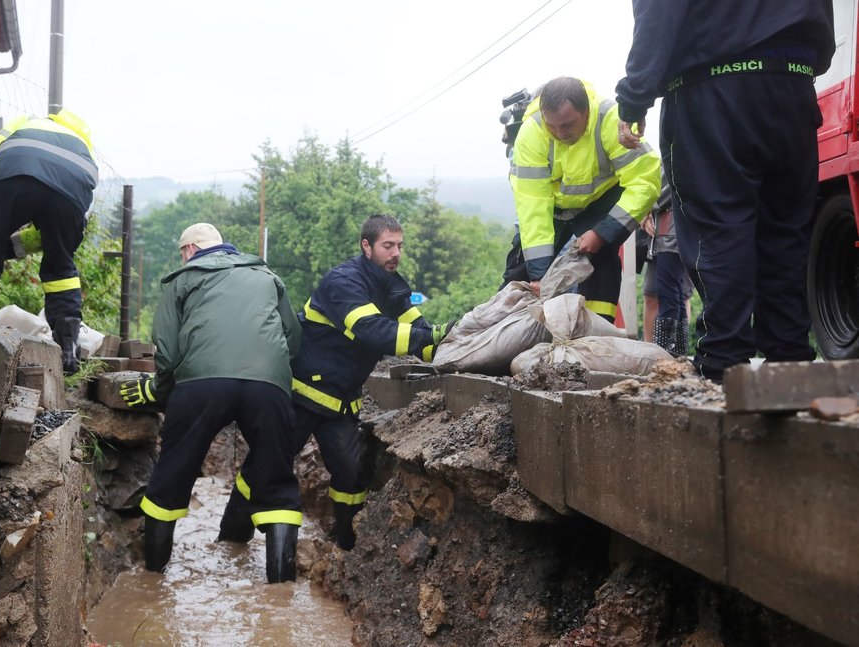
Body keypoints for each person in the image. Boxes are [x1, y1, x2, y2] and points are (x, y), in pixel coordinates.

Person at [615, 0, 835, 381]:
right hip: (794, 84)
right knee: (786, 232)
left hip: (711, 87)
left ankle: (723, 362)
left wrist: (635, 96)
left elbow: (659, 12)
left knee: (717, 229)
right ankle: (790, 361)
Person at [219, 214, 455, 551]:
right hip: (301, 397)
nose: (396, 253)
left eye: (400, 245)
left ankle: (345, 546)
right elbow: (372, 331)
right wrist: (428, 336)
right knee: (265, 466)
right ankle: (233, 539)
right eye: (388, 245)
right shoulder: (343, 282)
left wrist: (459, 337)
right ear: (366, 246)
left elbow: (422, 335)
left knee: (350, 475)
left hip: (341, 403)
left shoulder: (394, 287)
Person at [119, 223, 304, 583]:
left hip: (201, 385)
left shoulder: (182, 280)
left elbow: (168, 354)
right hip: (269, 387)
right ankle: (281, 591)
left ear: (188, 249)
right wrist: (270, 376)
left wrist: (155, 392)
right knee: (277, 477)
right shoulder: (267, 277)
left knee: (173, 471)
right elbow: (293, 339)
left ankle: (153, 578)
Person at [0, 110, 99, 374]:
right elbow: (62, 228)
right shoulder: (82, 143)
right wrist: (25, 242)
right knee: (61, 264)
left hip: (12, 171)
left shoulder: (25, 124)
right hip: (72, 190)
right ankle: (68, 354)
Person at [504, 77, 661, 321]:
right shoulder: (531, 131)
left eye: (567, 124)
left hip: (601, 202)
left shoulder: (611, 119)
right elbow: (532, 205)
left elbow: (645, 180)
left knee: (601, 261)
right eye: (552, 125)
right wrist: (538, 274)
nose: (560, 133)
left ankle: (596, 336)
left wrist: (603, 232)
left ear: (586, 112)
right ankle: (498, 335)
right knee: (521, 274)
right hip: (553, 209)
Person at [644, 179, 693, 356]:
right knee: (676, 294)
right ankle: (678, 352)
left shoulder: (675, 157)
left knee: (668, 295)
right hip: (675, 235)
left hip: (669, 235)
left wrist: (646, 208)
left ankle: (663, 353)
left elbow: (672, 186)